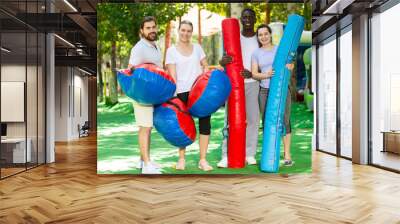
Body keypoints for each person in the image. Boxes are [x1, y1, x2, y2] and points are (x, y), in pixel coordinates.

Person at [165, 20, 213, 171]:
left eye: (188, 31)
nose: (185, 33)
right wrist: (173, 96)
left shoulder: (197, 48)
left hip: (199, 92)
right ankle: (181, 159)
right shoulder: (171, 51)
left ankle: (203, 160)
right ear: (178, 31)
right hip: (181, 92)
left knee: (205, 123)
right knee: (183, 126)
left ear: (192, 33)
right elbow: (172, 75)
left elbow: (205, 65)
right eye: (183, 30)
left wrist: (205, 78)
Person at [218, 8, 260, 167]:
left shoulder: (259, 38)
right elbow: (223, 60)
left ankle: (249, 153)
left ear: (255, 19)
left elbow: (266, 60)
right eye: (245, 17)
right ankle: (225, 154)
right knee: (230, 119)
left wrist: (253, 74)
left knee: (253, 119)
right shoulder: (234, 36)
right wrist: (223, 61)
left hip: (252, 83)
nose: (247, 19)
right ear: (241, 20)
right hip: (234, 84)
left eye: (250, 17)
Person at [251, 24, 294, 166]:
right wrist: (266, 74)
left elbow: (290, 63)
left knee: (284, 120)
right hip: (264, 91)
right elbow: (254, 74)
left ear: (270, 34)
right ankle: (269, 154)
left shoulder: (279, 50)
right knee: (267, 121)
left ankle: (287, 154)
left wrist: (290, 65)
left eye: (265, 33)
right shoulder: (256, 53)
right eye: (260, 35)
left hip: (281, 89)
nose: (263, 37)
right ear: (258, 37)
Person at [127, 16, 163, 174]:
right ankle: (147, 165)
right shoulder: (139, 47)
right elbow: (131, 69)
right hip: (141, 94)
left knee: (148, 127)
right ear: (142, 30)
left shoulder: (155, 45)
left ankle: (143, 161)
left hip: (151, 94)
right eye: (148, 28)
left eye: (153, 27)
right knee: (145, 127)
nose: (152, 30)